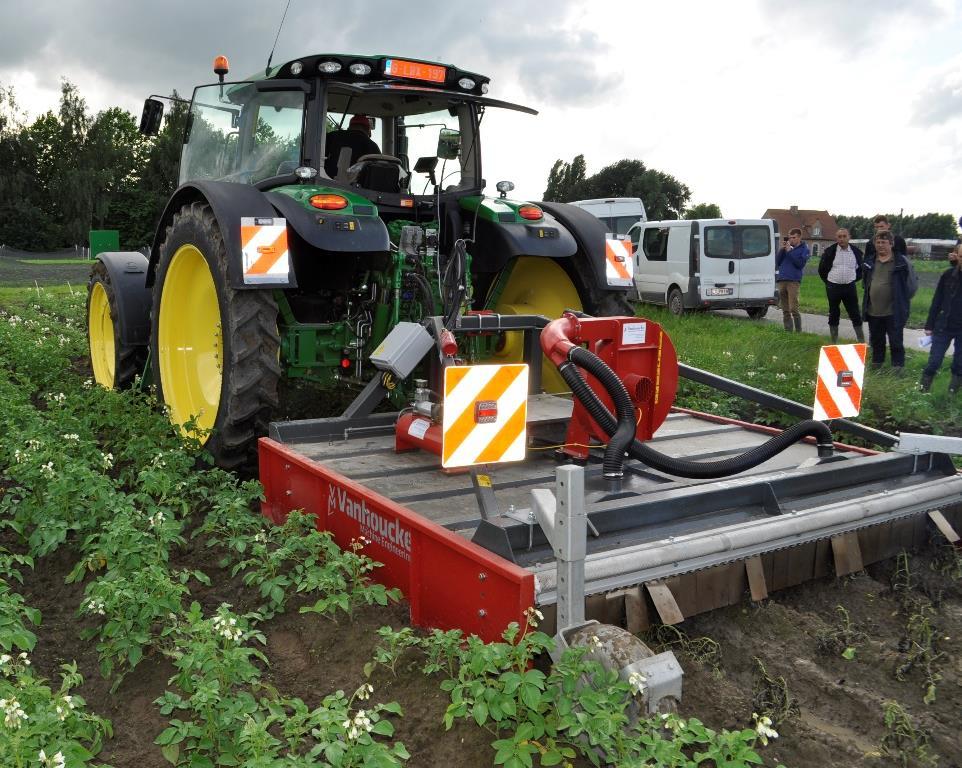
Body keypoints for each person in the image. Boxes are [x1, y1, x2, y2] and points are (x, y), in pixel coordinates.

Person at [862, 230, 912, 372]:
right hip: (874, 311)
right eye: (878, 242)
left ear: (891, 244)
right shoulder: (870, 261)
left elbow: (911, 286)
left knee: (896, 342)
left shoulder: (901, 263)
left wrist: (902, 303)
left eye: (884, 242)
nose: (880, 245)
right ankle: (877, 367)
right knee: (877, 342)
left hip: (893, 312)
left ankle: (898, 369)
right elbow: (865, 283)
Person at [919, 246, 962, 393]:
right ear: (957, 257)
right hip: (944, 326)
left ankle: (951, 395)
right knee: (934, 361)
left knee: (959, 364)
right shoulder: (948, 275)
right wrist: (929, 324)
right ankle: (921, 392)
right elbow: (937, 301)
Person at [818, 228, 865, 343]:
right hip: (833, 287)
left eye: (844, 236)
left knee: (855, 313)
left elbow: (861, 270)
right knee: (834, 313)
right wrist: (829, 282)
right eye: (839, 236)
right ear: (836, 238)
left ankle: (861, 340)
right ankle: (834, 341)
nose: (842, 239)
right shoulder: (830, 251)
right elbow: (822, 270)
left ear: (849, 237)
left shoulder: (856, 252)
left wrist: (853, 279)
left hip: (849, 287)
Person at [775, 228, 810, 332]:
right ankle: (788, 330)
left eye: (793, 237)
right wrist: (782, 249)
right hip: (782, 280)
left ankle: (798, 331)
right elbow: (777, 261)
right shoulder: (786, 248)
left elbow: (800, 264)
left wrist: (790, 252)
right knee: (785, 309)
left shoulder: (804, 249)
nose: (791, 239)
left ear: (799, 237)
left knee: (793, 308)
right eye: (790, 237)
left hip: (793, 281)